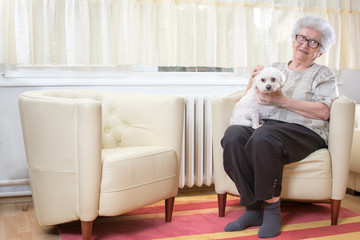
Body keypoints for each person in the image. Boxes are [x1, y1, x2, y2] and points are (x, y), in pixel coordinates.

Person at [221, 16, 339, 238]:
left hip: (305, 132)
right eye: (301, 37)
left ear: (321, 51)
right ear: (293, 39)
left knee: (263, 136)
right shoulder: (273, 67)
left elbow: (325, 111)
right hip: (269, 124)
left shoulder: (323, 74)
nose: (304, 44)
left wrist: (283, 101)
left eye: (313, 42)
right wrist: (251, 80)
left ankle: (272, 210)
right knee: (234, 135)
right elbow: (252, 94)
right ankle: (253, 208)